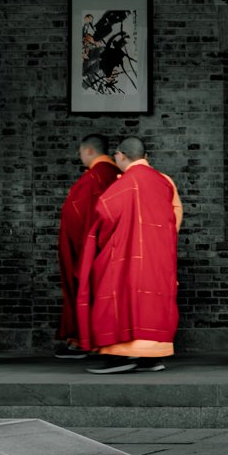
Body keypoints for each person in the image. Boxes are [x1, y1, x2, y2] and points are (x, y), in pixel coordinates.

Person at [79, 137, 182, 374]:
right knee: (153, 302)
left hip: (127, 254)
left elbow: (104, 214)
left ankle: (123, 354)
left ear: (120, 155)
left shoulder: (124, 184)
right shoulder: (165, 181)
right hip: (159, 256)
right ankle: (151, 357)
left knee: (121, 299)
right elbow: (175, 217)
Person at [53, 134, 119, 359]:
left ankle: (83, 341)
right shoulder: (116, 174)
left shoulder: (94, 177)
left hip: (89, 247)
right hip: (111, 247)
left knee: (86, 292)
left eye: (81, 152)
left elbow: (81, 219)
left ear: (89, 151)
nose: (80, 156)